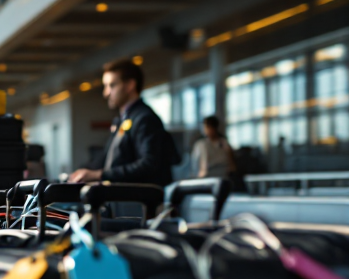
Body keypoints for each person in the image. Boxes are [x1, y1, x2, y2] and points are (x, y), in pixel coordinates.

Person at [68, 58, 178, 187]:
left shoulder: (144, 118)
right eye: (105, 86)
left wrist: (99, 174)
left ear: (130, 85)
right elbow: (108, 158)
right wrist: (81, 172)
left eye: (112, 85)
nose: (106, 93)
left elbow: (148, 164)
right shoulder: (123, 120)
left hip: (139, 202)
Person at [190, 115, 236, 179]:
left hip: (223, 175)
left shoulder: (224, 143)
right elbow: (195, 164)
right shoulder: (201, 144)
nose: (205, 130)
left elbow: (231, 163)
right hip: (205, 175)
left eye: (206, 127)